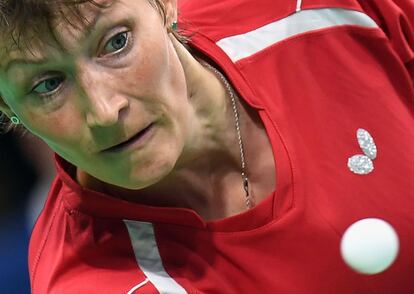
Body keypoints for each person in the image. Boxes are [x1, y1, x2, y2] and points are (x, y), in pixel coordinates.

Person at [0, 0, 414, 292]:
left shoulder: (312, 12)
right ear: (6, 105)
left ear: (164, 3)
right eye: (48, 85)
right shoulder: (93, 283)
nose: (106, 111)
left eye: (117, 42)